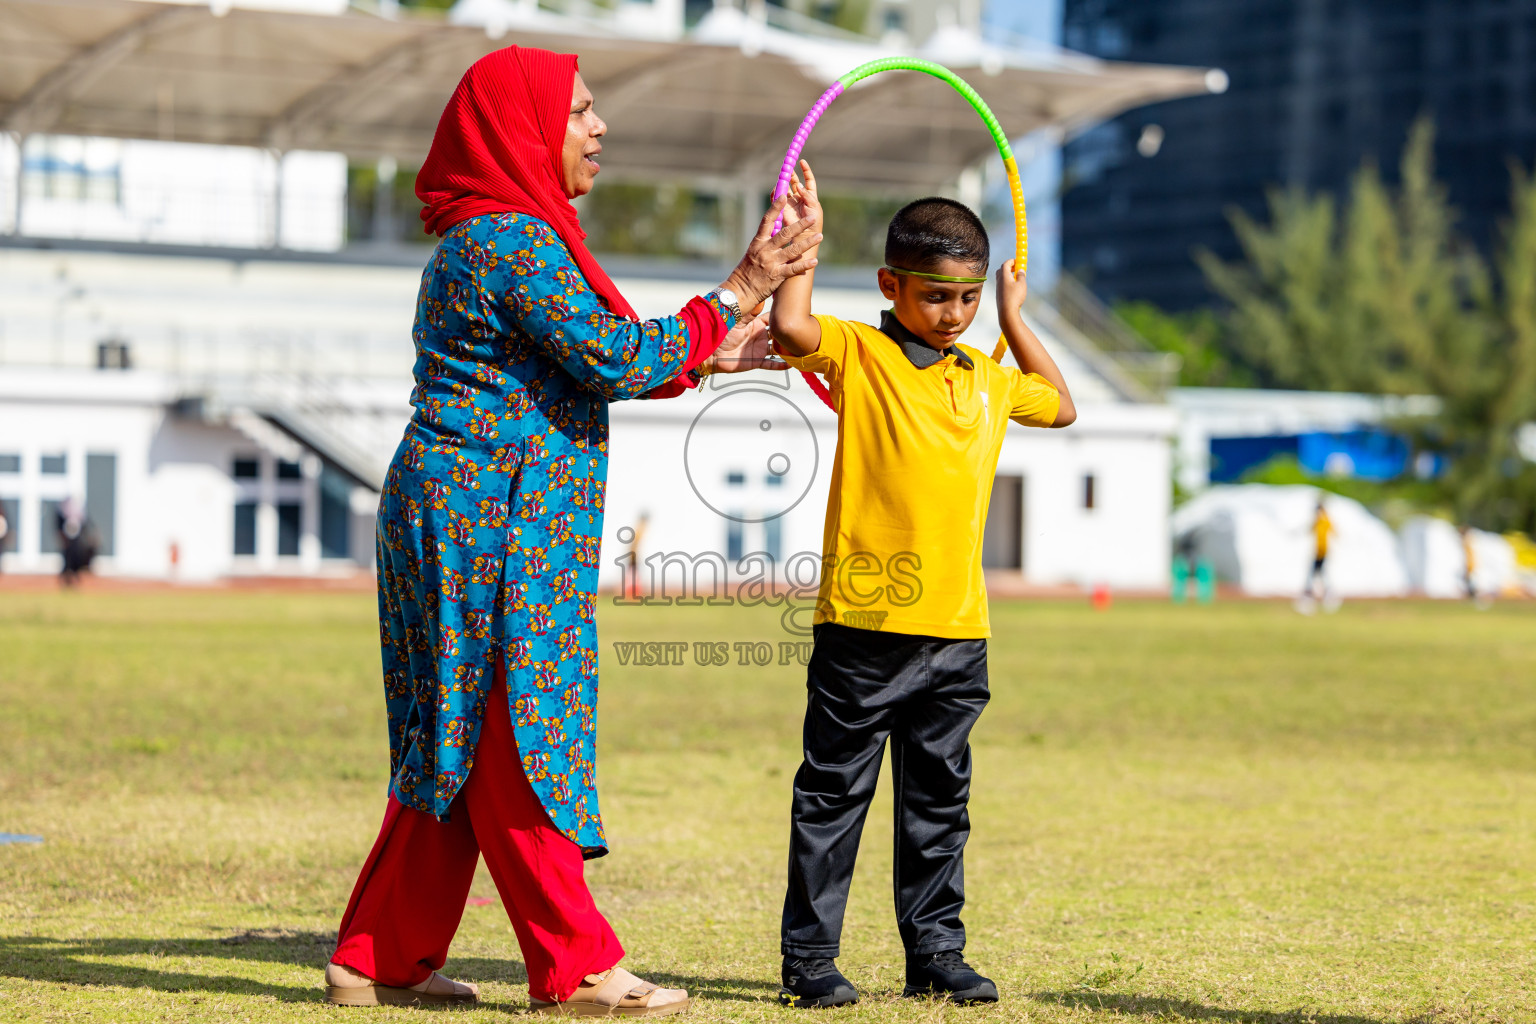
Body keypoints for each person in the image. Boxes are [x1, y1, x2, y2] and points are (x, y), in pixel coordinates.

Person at [323, 46, 821, 1014]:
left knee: (460, 737)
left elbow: (601, 360)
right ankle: (578, 964)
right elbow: (614, 355)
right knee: (515, 732)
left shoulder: (508, 237)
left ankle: (376, 957)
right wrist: (744, 282)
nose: (600, 129)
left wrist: (721, 346)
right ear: (522, 129)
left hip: (478, 519)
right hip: (486, 526)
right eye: (581, 112)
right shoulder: (508, 239)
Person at [766, 165, 1075, 1007]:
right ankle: (810, 962)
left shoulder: (984, 374)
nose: (955, 313)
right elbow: (790, 326)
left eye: (969, 296)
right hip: (863, 630)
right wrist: (805, 241)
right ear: (890, 286)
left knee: (940, 804)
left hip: (956, 635)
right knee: (834, 797)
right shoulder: (860, 354)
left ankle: (936, 952)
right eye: (938, 295)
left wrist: (1014, 316)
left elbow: (1063, 404)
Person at [1306, 497, 1333, 603]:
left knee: (1319, 573)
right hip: (1318, 551)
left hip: (1322, 551)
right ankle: (1322, 592)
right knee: (1317, 573)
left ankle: (1326, 592)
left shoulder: (1324, 521)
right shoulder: (1319, 521)